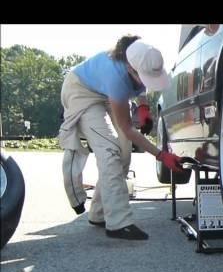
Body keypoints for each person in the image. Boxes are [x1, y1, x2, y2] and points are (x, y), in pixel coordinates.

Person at [58, 35, 183, 240]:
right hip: (81, 91)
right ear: (130, 68)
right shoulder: (116, 78)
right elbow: (127, 128)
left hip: (104, 90)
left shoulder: (140, 59)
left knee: (124, 154)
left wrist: (143, 108)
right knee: (109, 151)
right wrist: (161, 155)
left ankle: (99, 213)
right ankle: (119, 222)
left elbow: (141, 86)